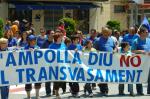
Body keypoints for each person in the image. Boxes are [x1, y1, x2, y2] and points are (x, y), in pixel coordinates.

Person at [94, 27, 117, 96]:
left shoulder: (111, 40)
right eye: (105, 32)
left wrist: (115, 50)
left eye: (107, 32)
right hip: (101, 60)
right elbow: (94, 49)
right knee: (102, 74)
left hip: (110, 60)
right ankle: (104, 89)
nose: (106, 33)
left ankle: (102, 86)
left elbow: (115, 47)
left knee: (106, 74)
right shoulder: (97, 40)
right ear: (102, 32)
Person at [131, 27, 150, 95]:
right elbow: (132, 50)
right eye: (146, 32)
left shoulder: (149, 40)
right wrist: (141, 51)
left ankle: (149, 91)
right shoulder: (136, 41)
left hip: (148, 61)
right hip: (138, 62)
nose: (148, 33)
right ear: (142, 33)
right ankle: (139, 91)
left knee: (149, 75)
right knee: (139, 76)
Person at [49, 32, 66, 99]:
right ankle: (56, 92)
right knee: (56, 79)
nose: (61, 38)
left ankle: (56, 90)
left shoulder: (63, 45)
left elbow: (67, 52)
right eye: (60, 37)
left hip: (62, 64)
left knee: (62, 79)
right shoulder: (51, 46)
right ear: (57, 38)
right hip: (55, 65)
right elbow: (48, 55)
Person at [24, 35, 41, 99]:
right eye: (31, 41)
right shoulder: (25, 47)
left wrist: (38, 50)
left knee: (38, 81)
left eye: (34, 40)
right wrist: (27, 51)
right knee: (28, 82)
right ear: (29, 41)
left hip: (36, 67)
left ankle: (37, 95)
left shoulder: (38, 47)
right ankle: (28, 96)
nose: (32, 42)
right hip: (28, 67)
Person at [41, 30, 54, 96]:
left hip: (55, 63)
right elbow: (42, 53)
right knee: (48, 78)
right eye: (52, 33)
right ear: (48, 35)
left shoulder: (55, 42)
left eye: (53, 33)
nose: (53, 34)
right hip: (47, 63)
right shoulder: (44, 43)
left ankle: (55, 91)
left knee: (55, 77)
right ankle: (48, 92)